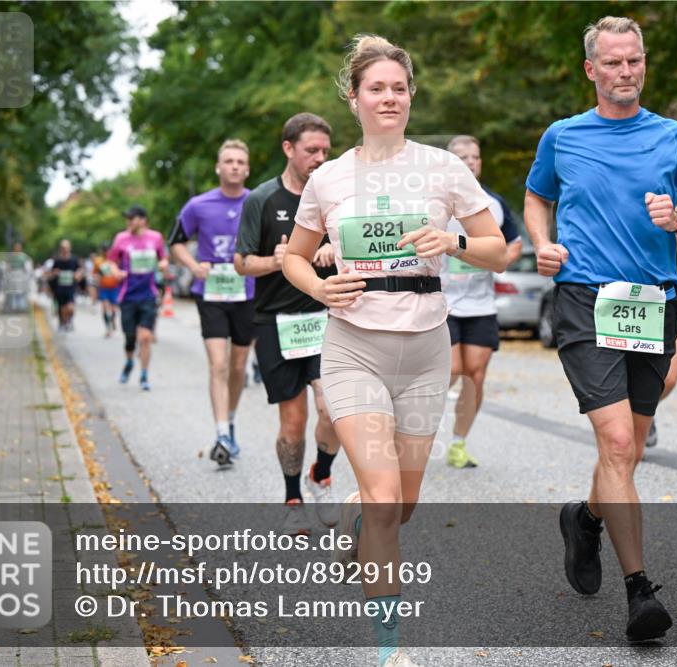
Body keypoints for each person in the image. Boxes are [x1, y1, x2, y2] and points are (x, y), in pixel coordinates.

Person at [283, 35, 507, 667]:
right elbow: (294, 259)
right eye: (376, 88)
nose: (389, 97)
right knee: (386, 500)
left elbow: (498, 249)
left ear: (412, 96)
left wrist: (453, 239)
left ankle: (359, 516)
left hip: (427, 350)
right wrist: (323, 286)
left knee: (401, 507)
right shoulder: (327, 178)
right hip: (354, 348)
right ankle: (389, 651)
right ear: (353, 99)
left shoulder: (444, 168)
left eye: (399, 88)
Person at [523, 16, 677, 642]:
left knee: (622, 450)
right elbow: (536, 196)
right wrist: (542, 244)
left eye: (633, 61)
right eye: (612, 63)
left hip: (652, 303)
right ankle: (640, 594)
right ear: (591, 70)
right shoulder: (563, 136)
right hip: (584, 300)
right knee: (620, 447)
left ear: (643, 64)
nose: (625, 72)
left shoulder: (675, 136)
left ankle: (584, 520)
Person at [235, 116, 344, 534]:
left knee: (332, 409)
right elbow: (241, 261)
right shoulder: (262, 199)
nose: (319, 158)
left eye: (324, 151)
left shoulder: (335, 198)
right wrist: (277, 261)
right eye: (310, 151)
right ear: (288, 149)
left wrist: (335, 247)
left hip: (325, 317)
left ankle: (323, 475)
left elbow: (357, 246)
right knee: (294, 421)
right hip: (275, 322)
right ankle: (292, 497)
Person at [169, 139, 255, 464]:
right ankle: (220, 433)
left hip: (248, 293)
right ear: (218, 168)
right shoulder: (198, 205)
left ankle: (229, 420)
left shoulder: (257, 202)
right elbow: (176, 242)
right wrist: (193, 267)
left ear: (246, 169)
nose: (234, 166)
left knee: (237, 366)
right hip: (212, 295)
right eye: (228, 161)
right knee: (218, 364)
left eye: (239, 162)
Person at [440, 135, 523, 468]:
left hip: (480, 304)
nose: (470, 161)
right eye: (462, 156)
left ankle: (458, 443)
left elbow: (512, 243)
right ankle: (416, 428)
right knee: (451, 369)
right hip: (441, 302)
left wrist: (497, 259)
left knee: (475, 374)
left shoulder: (494, 203)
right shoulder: (434, 200)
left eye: (475, 156)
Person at [108, 205, 168, 391]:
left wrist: (163, 265)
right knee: (130, 337)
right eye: (127, 218)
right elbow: (111, 262)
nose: (128, 222)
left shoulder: (155, 237)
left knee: (146, 337)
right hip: (127, 294)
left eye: (132, 218)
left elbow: (163, 258)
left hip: (148, 294)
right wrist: (116, 272)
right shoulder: (121, 238)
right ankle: (129, 363)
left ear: (143, 219)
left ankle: (144, 375)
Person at [645, 237, 677, 448]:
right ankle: (630, 416)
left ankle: (644, 408)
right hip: (620, 299)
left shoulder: (666, 208)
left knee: (669, 379)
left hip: (661, 302)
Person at [50, 239, 82, 331]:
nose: (65, 249)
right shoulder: (57, 260)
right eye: (63, 248)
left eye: (67, 247)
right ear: (60, 249)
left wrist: (78, 274)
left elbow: (80, 270)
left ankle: (69, 320)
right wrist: (55, 273)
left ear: (70, 248)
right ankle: (64, 323)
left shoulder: (74, 259)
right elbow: (52, 272)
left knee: (71, 308)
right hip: (60, 288)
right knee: (62, 308)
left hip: (70, 287)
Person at [93, 243, 121, 337]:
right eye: (105, 251)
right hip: (104, 288)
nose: (107, 253)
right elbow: (95, 273)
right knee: (104, 307)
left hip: (114, 287)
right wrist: (97, 279)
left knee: (114, 309)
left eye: (108, 250)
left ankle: (112, 320)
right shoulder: (98, 261)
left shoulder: (115, 260)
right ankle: (108, 328)